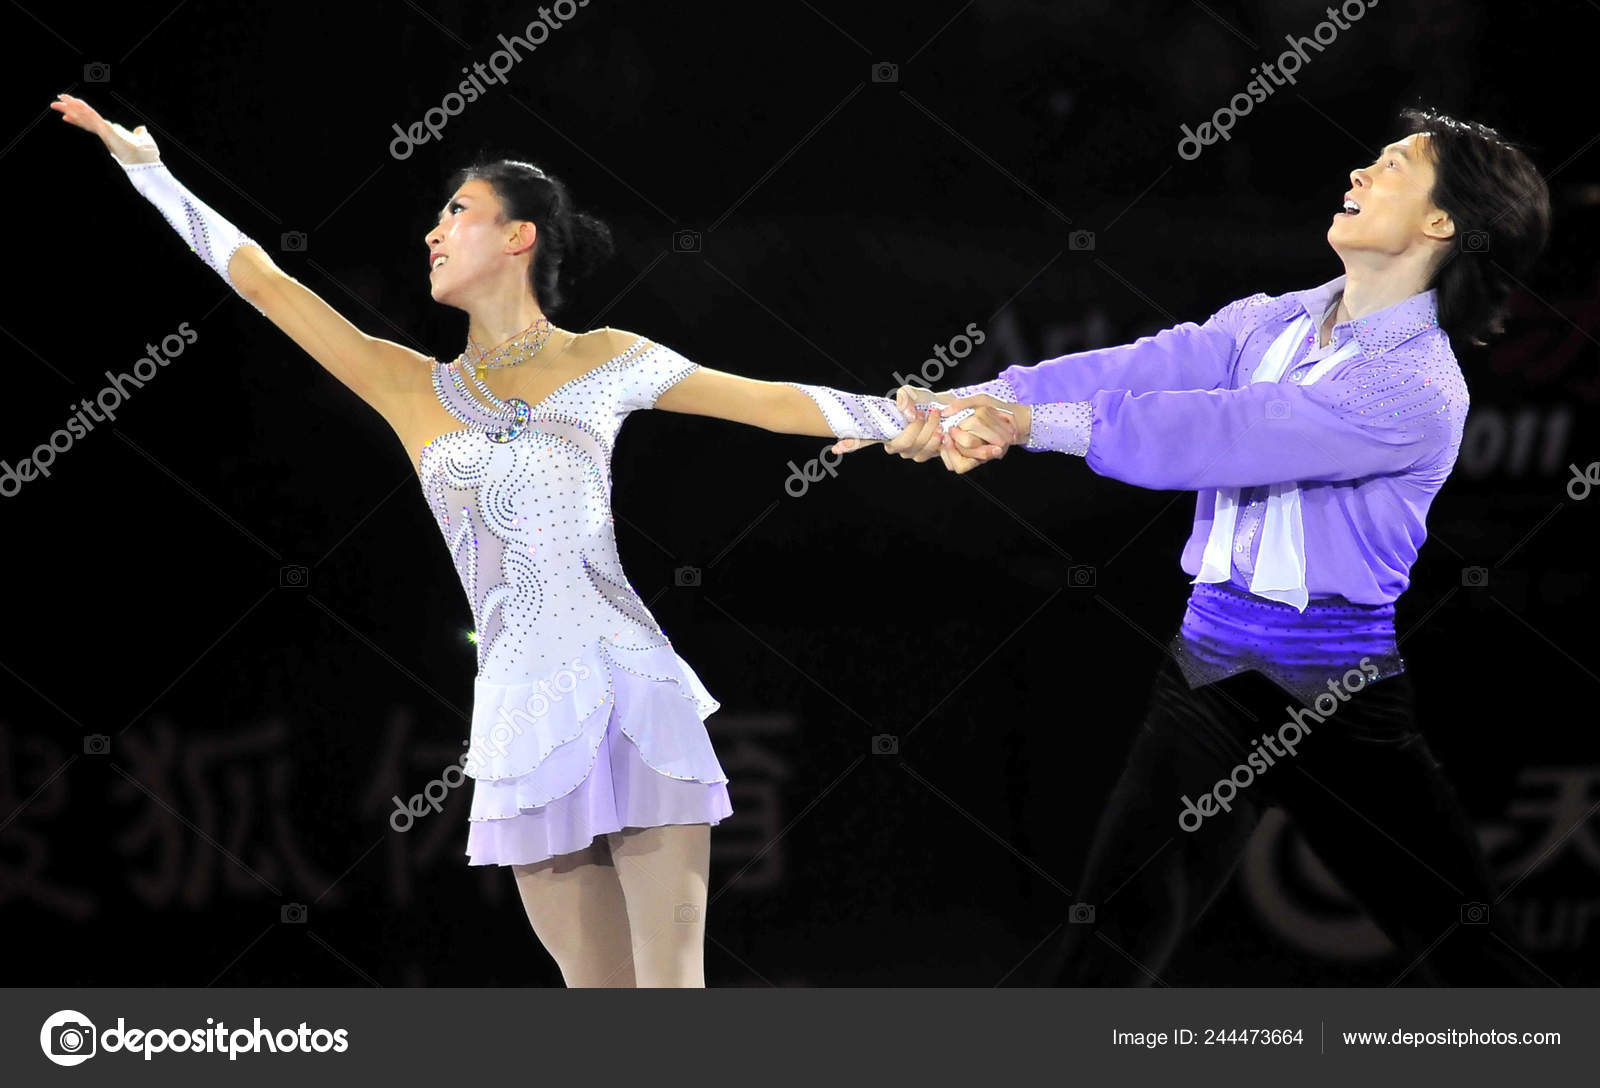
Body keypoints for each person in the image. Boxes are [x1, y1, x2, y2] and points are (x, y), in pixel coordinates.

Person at [51, 93, 930, 988]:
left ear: (521, 238)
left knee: (671, 997)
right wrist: (149, 173)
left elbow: (771, 400)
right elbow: (267, 284)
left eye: (457, 212)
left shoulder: (609, 357)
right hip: (519, 710)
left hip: (631, 685)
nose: (433, 232)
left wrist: (910, 418)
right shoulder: (408, 386)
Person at [842, 107, 1554, 985]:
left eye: (1394, 165)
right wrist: (965, 403)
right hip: (1210, 671)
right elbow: (1146, 369)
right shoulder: (1273, 321)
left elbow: (1224, 431)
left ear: (1444, 222)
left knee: (1467, 959)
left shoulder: (1415, 384)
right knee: (1109, 941)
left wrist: (1025, 427)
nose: (1360, 174)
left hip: (1335, 692)